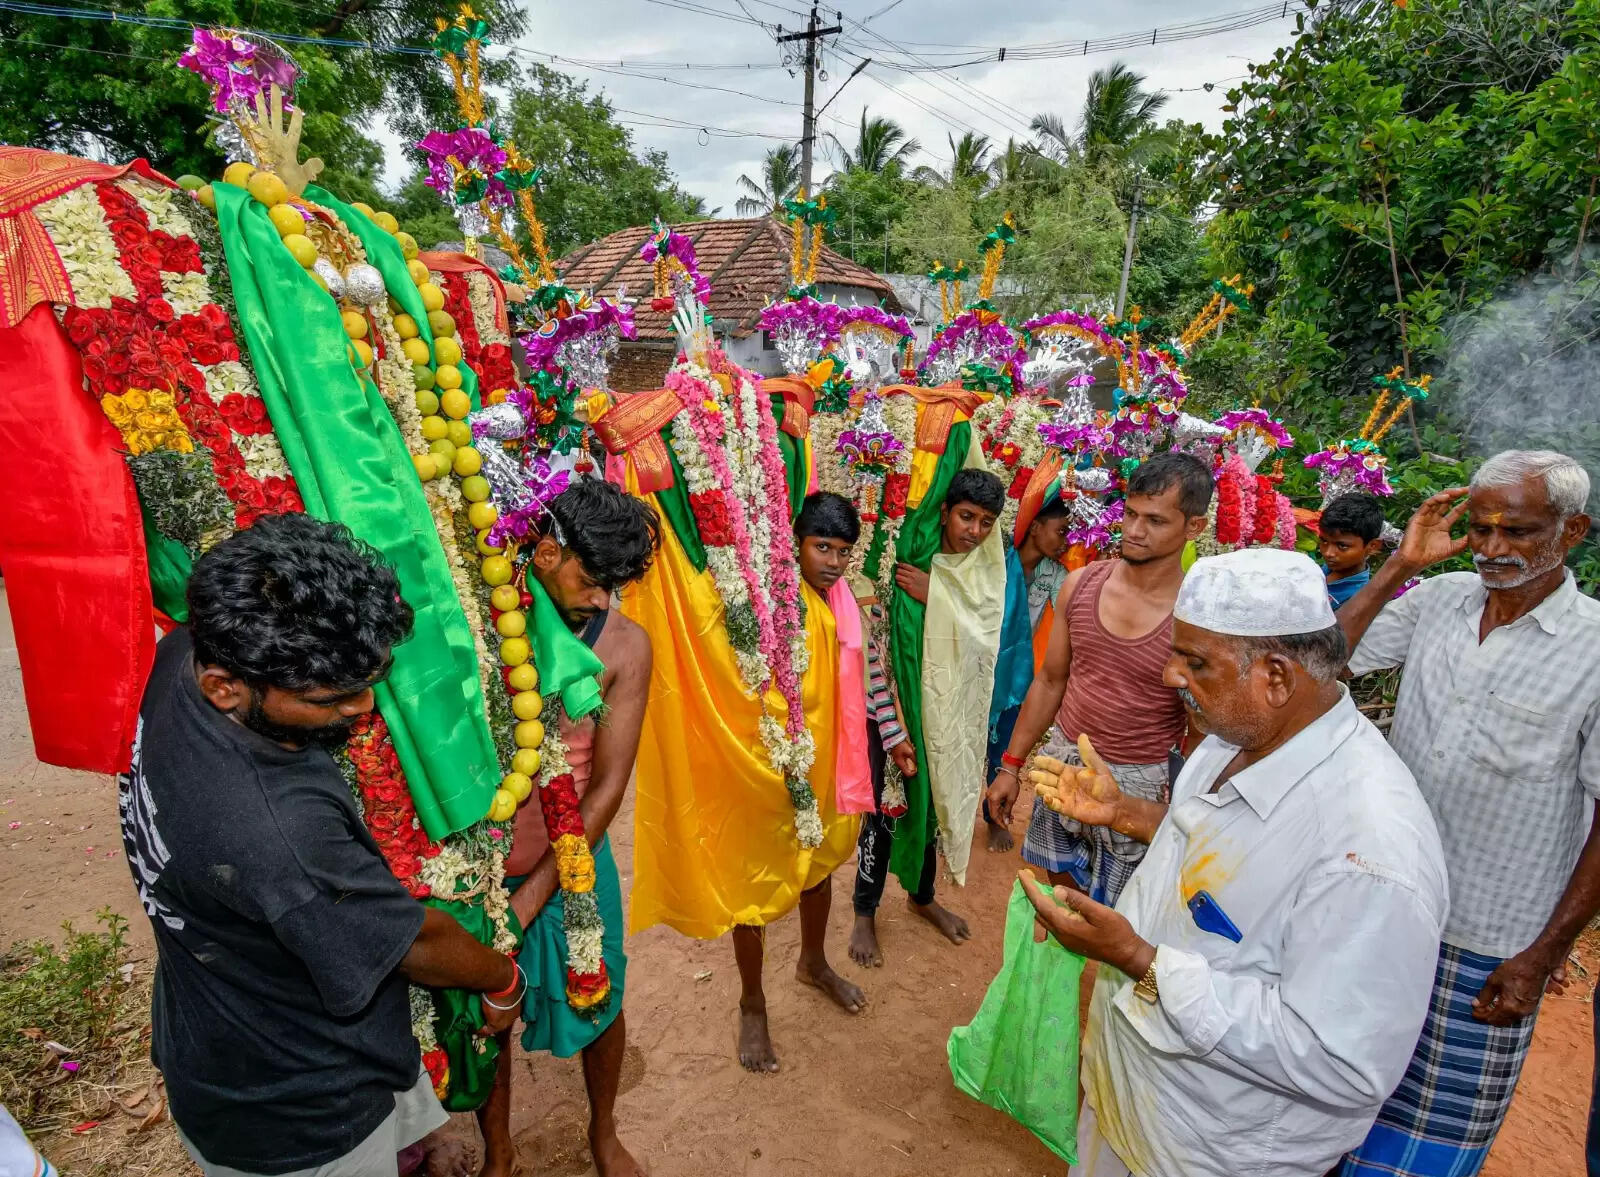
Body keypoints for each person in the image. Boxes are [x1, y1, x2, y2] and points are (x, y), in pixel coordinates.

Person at [1021, 547, 1448, 1177]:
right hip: (1138, 1106)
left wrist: (1141, 962)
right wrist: (1127, 814)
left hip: (1211, 1152)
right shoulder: (1234, 738)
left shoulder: (1370, 853)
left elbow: (1344, 1061)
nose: (1169, 676)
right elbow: (1231, 847)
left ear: (1275, 676)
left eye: (1194, 661)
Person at [118, 514, 524, 1177]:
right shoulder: (279, 834)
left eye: (370, 683)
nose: (363, 708)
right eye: (334, 697)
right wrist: (504, 980)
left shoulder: (176, 660)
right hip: (297, 1114)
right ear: (226, 686)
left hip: (215, 1034)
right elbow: (418, 941)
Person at [1335, 450, 1600, 1177]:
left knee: (1428, 1144)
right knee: (1335, 1098)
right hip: (1383, 906)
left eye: (1515, 531)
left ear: (1570, 531)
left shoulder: (1596, 649)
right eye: (1479, 528)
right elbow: (1323, 664)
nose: (1489, 549)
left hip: (1492, 944)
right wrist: (1397, 568)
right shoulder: (1441, 598)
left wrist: (1542, 955)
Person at [477, 479, 660, 1177]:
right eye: (593, 577)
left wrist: (537, 894)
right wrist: (508, 894)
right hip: (488, 861)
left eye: (616, 582)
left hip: (576, 853)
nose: (603, 597)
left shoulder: (624, 645)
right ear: (547, 551)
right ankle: (498, 1152)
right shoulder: (483, 616)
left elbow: (609, 784)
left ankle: (603, 1131)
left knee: (604, 993)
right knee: (487, 1006)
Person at [987, 452, 1214, 907]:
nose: (1134, 530)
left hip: (1141, 788)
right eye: (1130, 513)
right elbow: (1051, 682)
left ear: (1194, 527)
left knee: (1123, 919)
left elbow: (1202, 729)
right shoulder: (1082, 584)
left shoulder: (1198, 616)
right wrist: (1010, 767)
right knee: (1056, 903)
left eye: (1155, 520)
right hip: (1063, 765)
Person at [847, 469, 1007, 968]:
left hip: (948, 711)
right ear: (943, 512)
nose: (974, 532)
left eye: (985, 523)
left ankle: (921, 896)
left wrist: (936, 592)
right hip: (896, 707)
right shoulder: (909, 552)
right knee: (886, 805)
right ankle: (864, 910)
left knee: (937, 804)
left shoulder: (982, 569)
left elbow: (986, 631)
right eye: (966, 517)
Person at [983, 495, 1075, 853]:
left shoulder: (1055, 574)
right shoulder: (997, 560)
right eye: (1061, 531)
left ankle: (993, 820)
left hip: (1012, 676)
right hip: (976, 667)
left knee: (1004, 749)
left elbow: (1069, 600)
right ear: (1034, 528)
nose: (1064, 540)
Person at [1317, 492, 1386, 609]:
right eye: (1324, 541)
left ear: (1372, 546)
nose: (1328, 553)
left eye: (1342, 546)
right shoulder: (1319, 571)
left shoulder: (1359, 599)